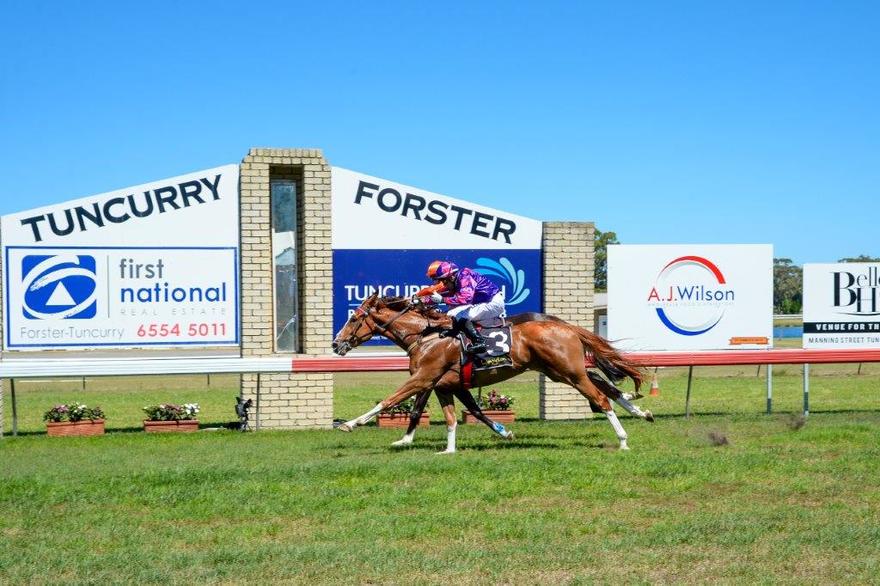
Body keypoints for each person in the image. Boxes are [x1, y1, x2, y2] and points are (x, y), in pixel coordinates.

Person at [414, 260, 505, 354]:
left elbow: (465, 299)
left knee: (459, 316)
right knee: (451, 313)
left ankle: (480, 342)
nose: (443, 284)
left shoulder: (464, 277)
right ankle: (455, 331)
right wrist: (423, 300)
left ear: (452, 277)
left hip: (493, 303)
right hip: (484, 302)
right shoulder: (456, 279)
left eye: (444, 281)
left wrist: (442, 300)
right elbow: (446, 294)